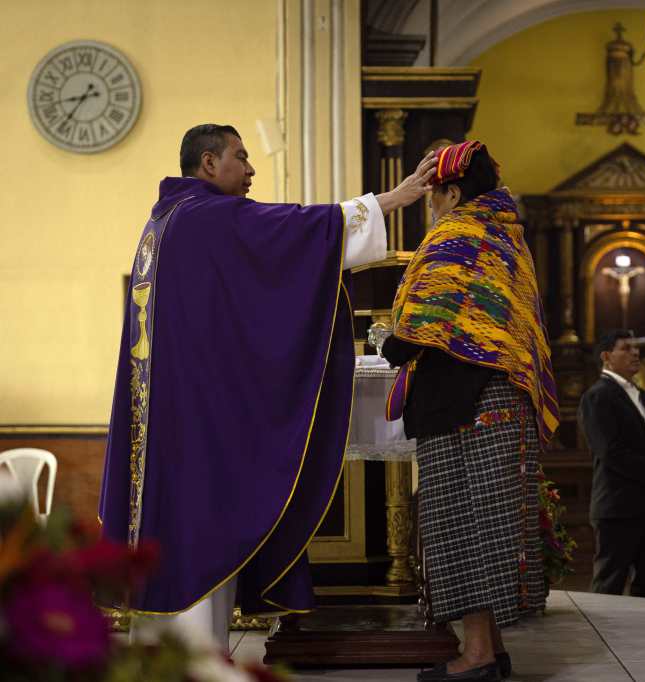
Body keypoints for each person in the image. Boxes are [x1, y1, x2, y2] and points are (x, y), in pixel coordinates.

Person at [99, 123, 436, 651]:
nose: (252, 169)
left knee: (176, 536)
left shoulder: (166, 221)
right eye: (241, 156)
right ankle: (191, 661)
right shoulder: (206, 217)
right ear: (208, 164)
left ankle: (169, 656)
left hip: (171, 418)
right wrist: (395, 198)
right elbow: (298, 231)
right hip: (195, 426)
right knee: (196, 531)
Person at [381, 140, 558, 682]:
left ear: (452, 192)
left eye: (433, 197)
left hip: (465, 403)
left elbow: (423, 320)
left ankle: (478, 654)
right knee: (492, 521)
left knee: (464, 522)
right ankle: (494, 650)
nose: (431, 208)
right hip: (499, 396)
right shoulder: (508, 236)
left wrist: (393, 343)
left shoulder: (459, 233)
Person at [578, 330, 645, 599]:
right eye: (626, 348)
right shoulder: (597, 396)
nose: (635, 353)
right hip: (618, 505)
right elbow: (611, 451)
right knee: (610, 582)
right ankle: (602, 640)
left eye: (636, 347)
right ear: (607, 357)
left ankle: (644, 638)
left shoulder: (643, 396)